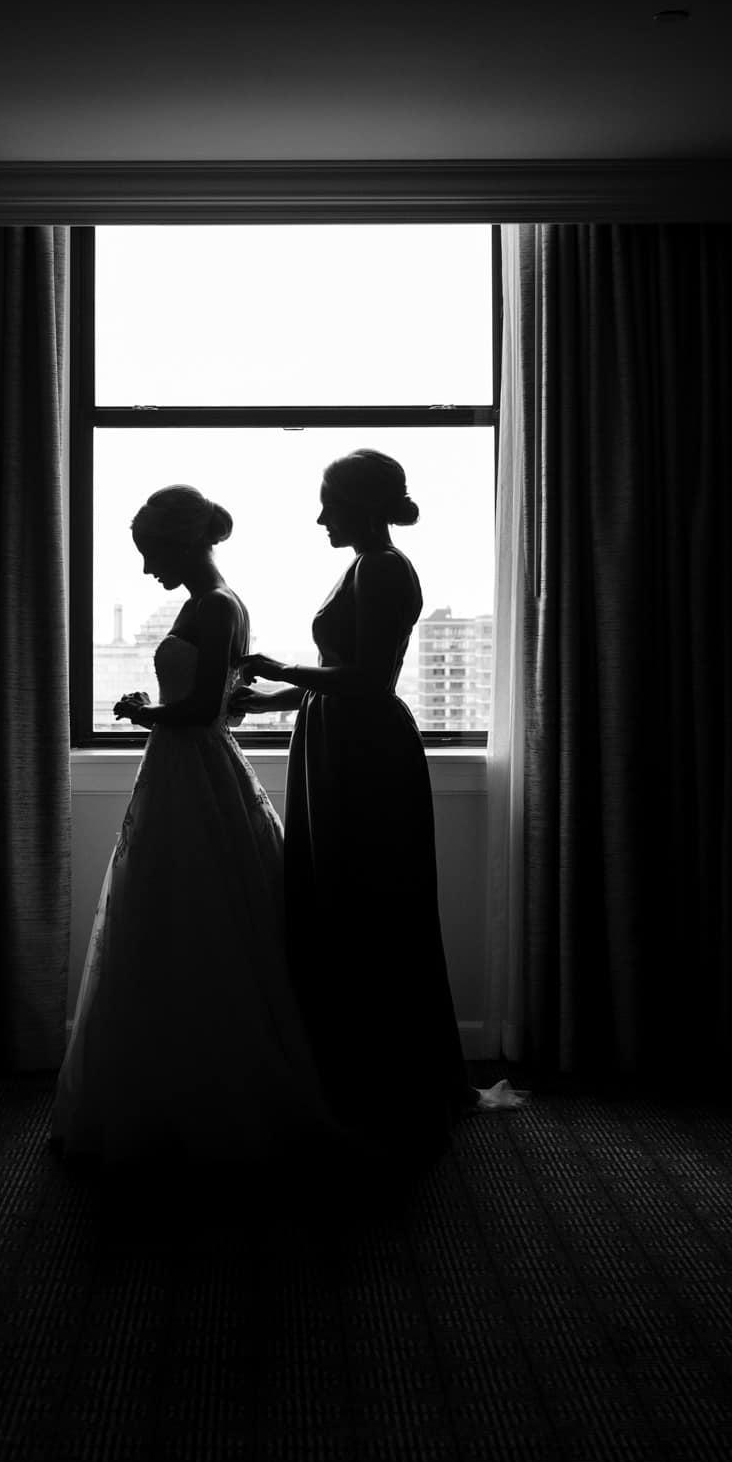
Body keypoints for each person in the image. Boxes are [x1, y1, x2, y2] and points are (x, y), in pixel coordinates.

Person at [234, 450, 523, 1170]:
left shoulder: (386, 568)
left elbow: (364, 678)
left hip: (364, 749)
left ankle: (387, 1083)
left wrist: (279, 670)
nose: (320, 516)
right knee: (338, 898)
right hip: (337, 739)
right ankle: (352, 1073)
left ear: (362, 505)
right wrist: (267, 701)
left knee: (369, 903)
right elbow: (337, 677)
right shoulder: (362, 566)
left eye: (329, 502)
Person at [52, 484, 340, 1169]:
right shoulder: (212, 603)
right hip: (191, 770)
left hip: (191, 768)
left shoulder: (213, 606)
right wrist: (160, 710)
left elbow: (204, 708)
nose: (148, 567)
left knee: (186, 916)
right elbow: (228, 708)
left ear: (183, 543)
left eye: (153, 553)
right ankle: (175, 1088)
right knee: (183, 917)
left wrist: (141, 712)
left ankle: (194, 1096)